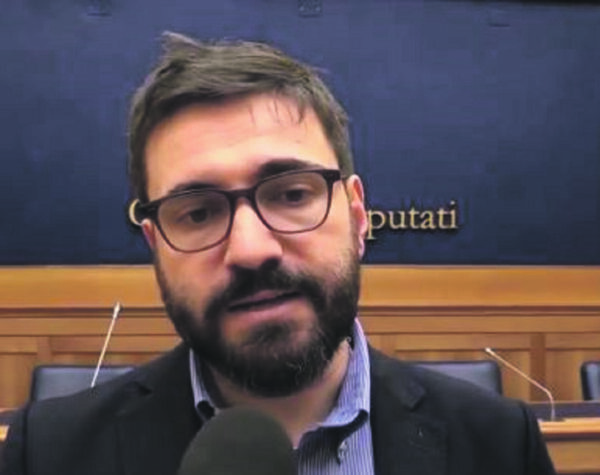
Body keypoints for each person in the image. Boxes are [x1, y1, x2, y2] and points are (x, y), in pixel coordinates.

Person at [0, 32, 555, 475]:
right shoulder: (47, 455)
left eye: (291, 195)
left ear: (357, 217)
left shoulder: (498, 443)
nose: (251, 249)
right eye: (198, 212)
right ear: (155, 247)